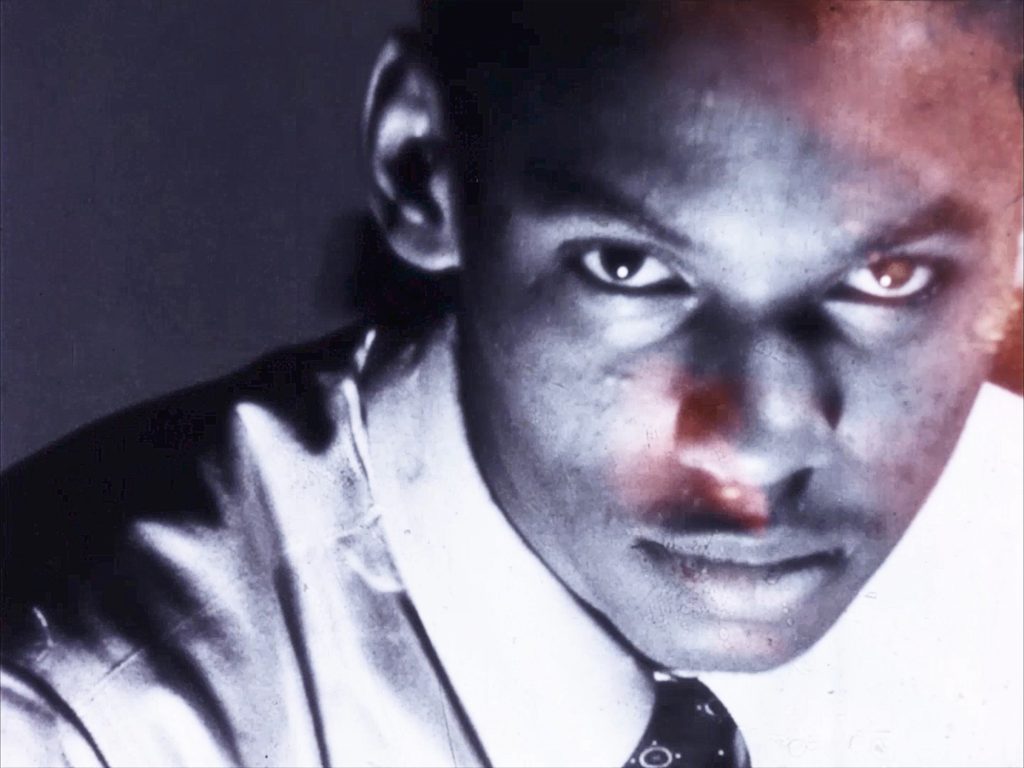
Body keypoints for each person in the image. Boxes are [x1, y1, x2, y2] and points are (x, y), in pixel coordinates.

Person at [2, 1, 1022, 766]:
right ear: (424, 162)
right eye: (628, 268)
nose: (755, 448)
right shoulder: (75, 728)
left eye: (889, 278)